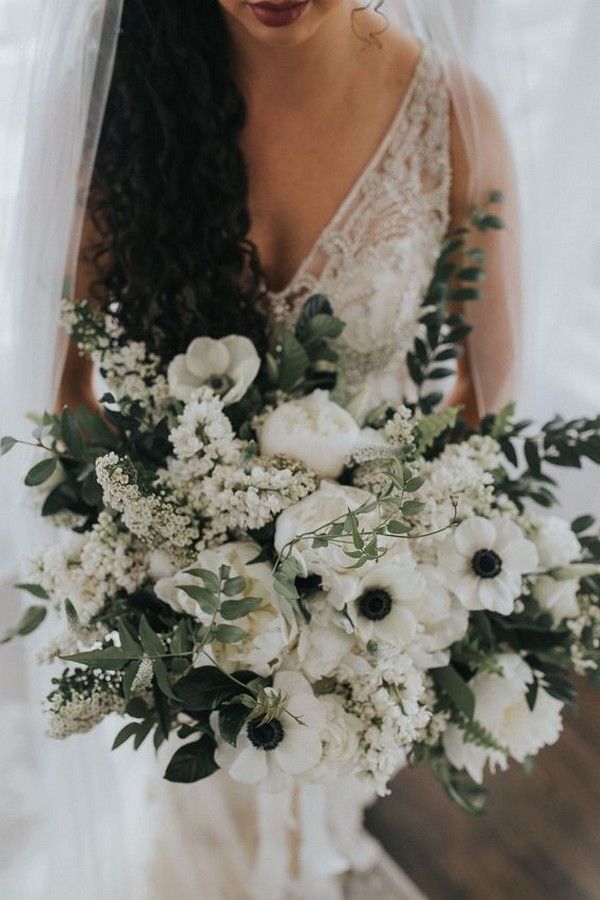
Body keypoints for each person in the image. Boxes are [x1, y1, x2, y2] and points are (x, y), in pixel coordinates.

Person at [54, 1, 520, 897]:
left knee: (317, 810)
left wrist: (376, 574)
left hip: (359, 603)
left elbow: (481, 397)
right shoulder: (126, 107)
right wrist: (157, 568)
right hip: (179, 611)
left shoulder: (453, 115)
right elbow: (63, 388)